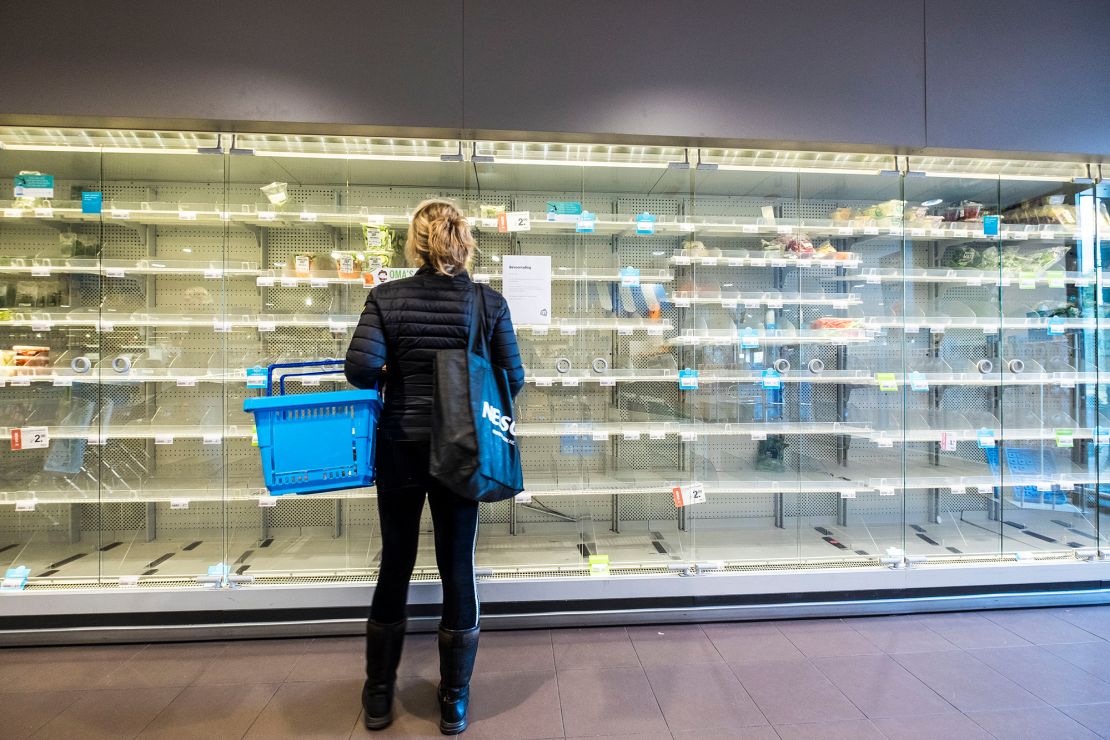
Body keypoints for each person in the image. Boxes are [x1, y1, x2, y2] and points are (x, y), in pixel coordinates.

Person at [345, 199, 525, 734]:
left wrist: (397, 372)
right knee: (457, 567)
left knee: (395, 563)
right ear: (464, 241)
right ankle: (454, 700)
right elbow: (512, 377)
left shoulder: (386, 297)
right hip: (462, 449)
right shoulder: (486, 303)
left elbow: (359, 368)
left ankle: (379, 695)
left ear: (415, 243)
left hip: (402, 442)